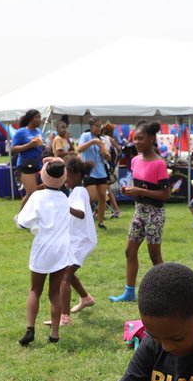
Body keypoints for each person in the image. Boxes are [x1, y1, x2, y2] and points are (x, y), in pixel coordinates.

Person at [15, 158, 72, 345]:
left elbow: (22, 222)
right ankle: (54, 334)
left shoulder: (37, 197)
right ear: (63, 179)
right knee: (54, 292)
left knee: (35, 290)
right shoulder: (64, 198)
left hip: (43, 248)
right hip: (62, 249)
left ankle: (30, 329)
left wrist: (19, 218)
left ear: (42, 175)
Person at [109, 122, 168, 303]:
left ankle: (168, 291)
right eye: (135, 138)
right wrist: (130, 190)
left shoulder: (159, 164)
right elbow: (139, 187)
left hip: (154, 213)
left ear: (151, 139)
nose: (136, 142)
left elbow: (165, 194)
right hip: (139, 211)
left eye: (141, 138)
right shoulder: (135, 160)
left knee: (154, 255)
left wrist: (139, 191)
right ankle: (129, 292)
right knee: (129, 251)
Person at [61, 155, 97, 320]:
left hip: (82, 241)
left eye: (66, 174)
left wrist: (63, 206)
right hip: (78, 239)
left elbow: (80, 213)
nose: (64, 178)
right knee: (65, 271)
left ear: (76, 175)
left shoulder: (79, 191)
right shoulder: (75, 191)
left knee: (64, 275)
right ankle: (85, 298)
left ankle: (64, 317)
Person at [77, 118, 111, 229]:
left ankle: (101, 222)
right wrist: (92, 142)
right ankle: (83, 219)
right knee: (91, 197)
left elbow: (109, 157)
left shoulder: (102, 139)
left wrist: (105, 154)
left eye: (100, 126)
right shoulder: (86, 136)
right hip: (89, 171)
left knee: (102, 197)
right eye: (96, 126)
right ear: (91, 126)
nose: (98, 128)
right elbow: (79, 149)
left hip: (101, 171)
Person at [11, 109, 45, 207]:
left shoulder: (39, 131)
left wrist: (45, 146)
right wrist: (29, 145)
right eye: (37, 117)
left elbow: (42, 145)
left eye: (40, 117)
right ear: (31, 119)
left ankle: (31, 216)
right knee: (32, 194)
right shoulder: (21, 132)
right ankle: (20, 217)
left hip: (38, 164)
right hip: (26, 165)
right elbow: (13, 149)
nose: (40, 120)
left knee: (37, 191)